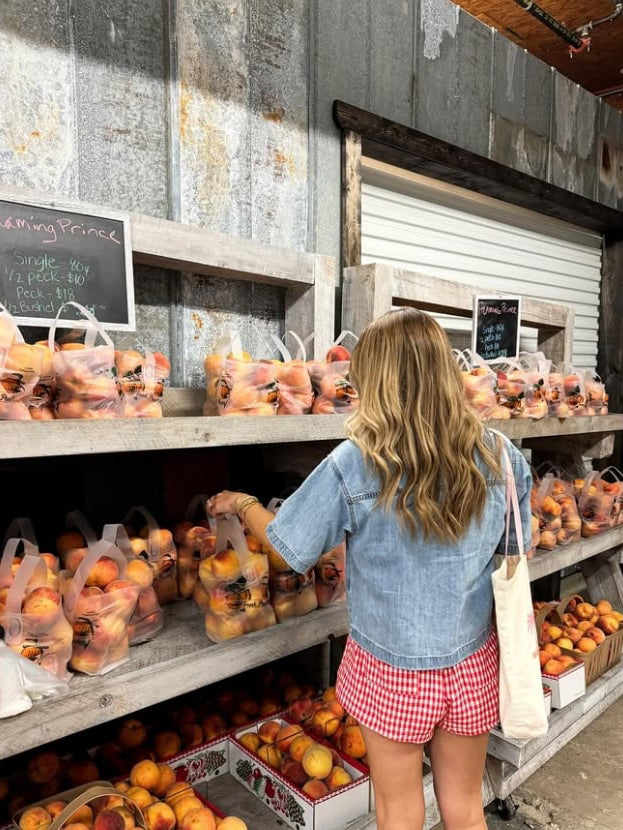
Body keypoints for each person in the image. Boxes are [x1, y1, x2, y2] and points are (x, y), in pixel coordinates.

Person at [208, 308, 532, 830]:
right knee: (466, 811)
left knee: (399, 813)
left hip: (390, 670)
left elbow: (291, 549)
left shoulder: (356, 461)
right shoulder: (501, 455)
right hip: (473, 661)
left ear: (377, 380)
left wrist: (244, 503)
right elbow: (516, 552)